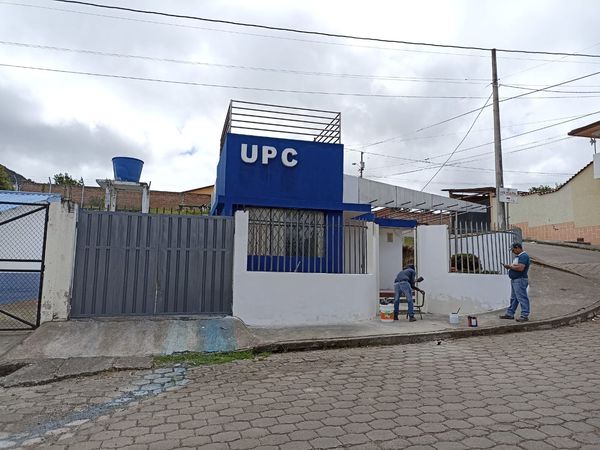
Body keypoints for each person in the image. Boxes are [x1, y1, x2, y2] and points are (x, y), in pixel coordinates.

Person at [500, 242, 531, 322]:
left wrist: (510, 267)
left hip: (520, 279)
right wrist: (511, 267)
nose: (513, 252)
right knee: (514, 298)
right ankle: (510, 313)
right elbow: (517, 266)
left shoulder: (523, 256)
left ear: (518, 248)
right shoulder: (519, 257)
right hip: (516, 280)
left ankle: (524, 315)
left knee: (522, 297)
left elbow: (520, 268)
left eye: (513, 250)